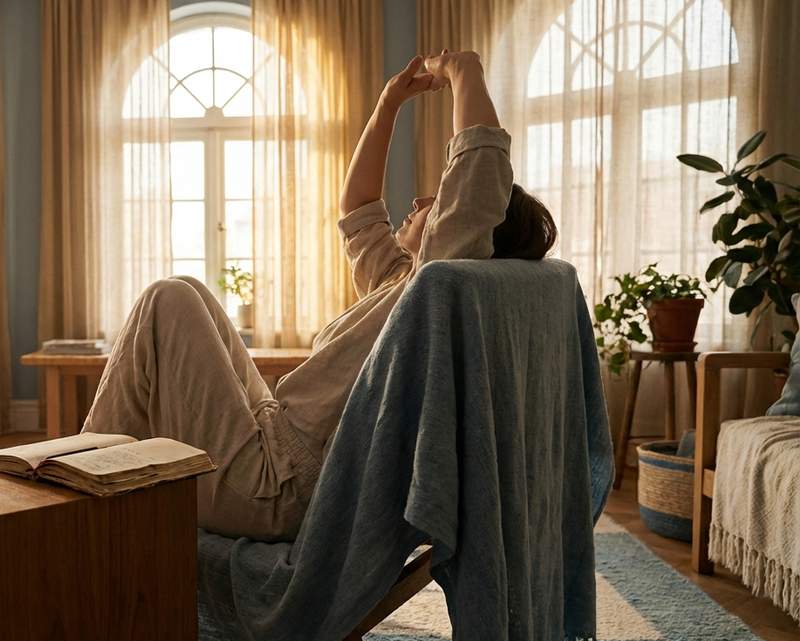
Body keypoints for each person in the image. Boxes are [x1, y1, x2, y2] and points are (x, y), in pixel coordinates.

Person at [82, 50, 558, 541]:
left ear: (471, 233)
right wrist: (386, 107)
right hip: (272, 444)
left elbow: (476, 181)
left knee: (168, 299)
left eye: (437, 198)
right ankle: (93, 468)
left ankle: (77, 481)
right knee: (189, 292)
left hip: (273, 485)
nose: (418, 201)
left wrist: (464, 71)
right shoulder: (406, 286)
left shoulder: (443, 288)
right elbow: (359, 210)